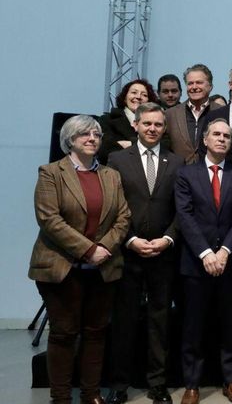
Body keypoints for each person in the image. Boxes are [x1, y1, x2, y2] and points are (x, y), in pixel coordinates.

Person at [29, 115, 131, 404]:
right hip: (62, 268)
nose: (92, 139)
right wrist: (88, 250)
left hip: (102, 268)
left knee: (96, 333)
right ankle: (60, 397)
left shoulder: (111, 175)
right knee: (63, 333)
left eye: (96, 135)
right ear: (69, 140)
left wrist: (103, 250)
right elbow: (49, 219)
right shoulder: (51, 172)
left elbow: (123, 217)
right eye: (84, 134)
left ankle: (91, 394)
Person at [105, 103, 184, 404]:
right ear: (136, 125)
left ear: (165, 129)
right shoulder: (115, 159)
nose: (152, 129)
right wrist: (129, 239)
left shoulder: (176, 162)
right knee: (123, 321)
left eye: (158, 125)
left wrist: (168, 238)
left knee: (160, 322)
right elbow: (111, 207)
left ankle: (158, 384)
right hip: (127, 252)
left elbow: (182, 209)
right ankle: (119, 384)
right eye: (147, 123)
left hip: (163, 254)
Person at [176, 119, 232, 404]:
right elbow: (185, 216)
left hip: (230, 263)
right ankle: (192, 384)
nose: (221, 139)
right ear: (205, 140)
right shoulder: (186, 174)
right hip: (196, 264)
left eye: (227, 136)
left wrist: (224, 252)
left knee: (231, 324)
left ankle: (231, 380)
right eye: (216, 135)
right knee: (193, 326)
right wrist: (207, 253)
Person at [166, 64, 223, 164]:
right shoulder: (170, 114)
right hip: (178, 175)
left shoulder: (222, 112)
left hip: (211, 175)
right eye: (190, 83)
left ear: (210, 86)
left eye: (199, 83)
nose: (194, 87)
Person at [98, 79, 160, 164]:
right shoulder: (107, 120)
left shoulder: (157, 122)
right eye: (134, 93)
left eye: (144, 95)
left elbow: (164, 146)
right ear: (124, 98)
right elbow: (106, 151)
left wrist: (131, 143)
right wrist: (146, 147)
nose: (138, 97)